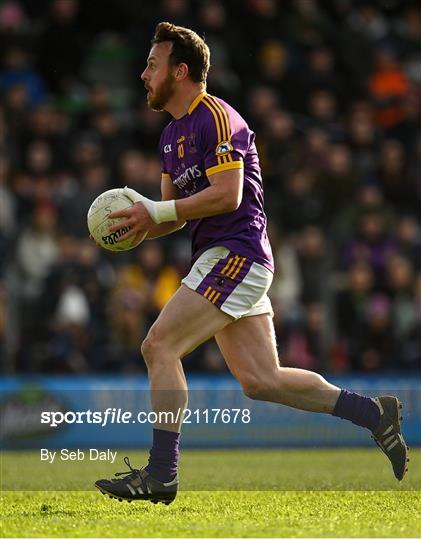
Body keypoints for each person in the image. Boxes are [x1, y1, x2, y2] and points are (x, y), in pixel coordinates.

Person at [95, 22, 409, 505]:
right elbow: (173, 214)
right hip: (222, 257)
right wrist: (140, 225)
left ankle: (162, 474)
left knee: (159, 346)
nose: (143, 74)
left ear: (180, 72)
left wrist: (155, 211)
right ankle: (374, 415)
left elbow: (227, 194)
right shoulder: (170, 136)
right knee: (262, 381)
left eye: (152, 65)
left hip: (236, 253)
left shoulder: (217, 117)